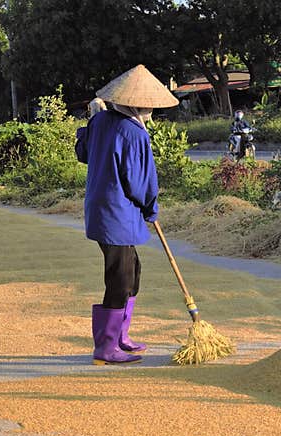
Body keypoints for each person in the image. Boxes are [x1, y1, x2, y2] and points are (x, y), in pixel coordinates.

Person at [75, 64, 178, 365]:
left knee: (133, 272)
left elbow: (83, 153)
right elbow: (140, 182)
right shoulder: (133, 133)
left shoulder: (101, 121)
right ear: (138, 104)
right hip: (116, 213)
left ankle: (120, 335)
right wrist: (151, 208)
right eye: (148, 106)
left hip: (105, 210)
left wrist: (91, 122)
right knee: (120, 278)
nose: (151, 111)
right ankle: (106, 347)